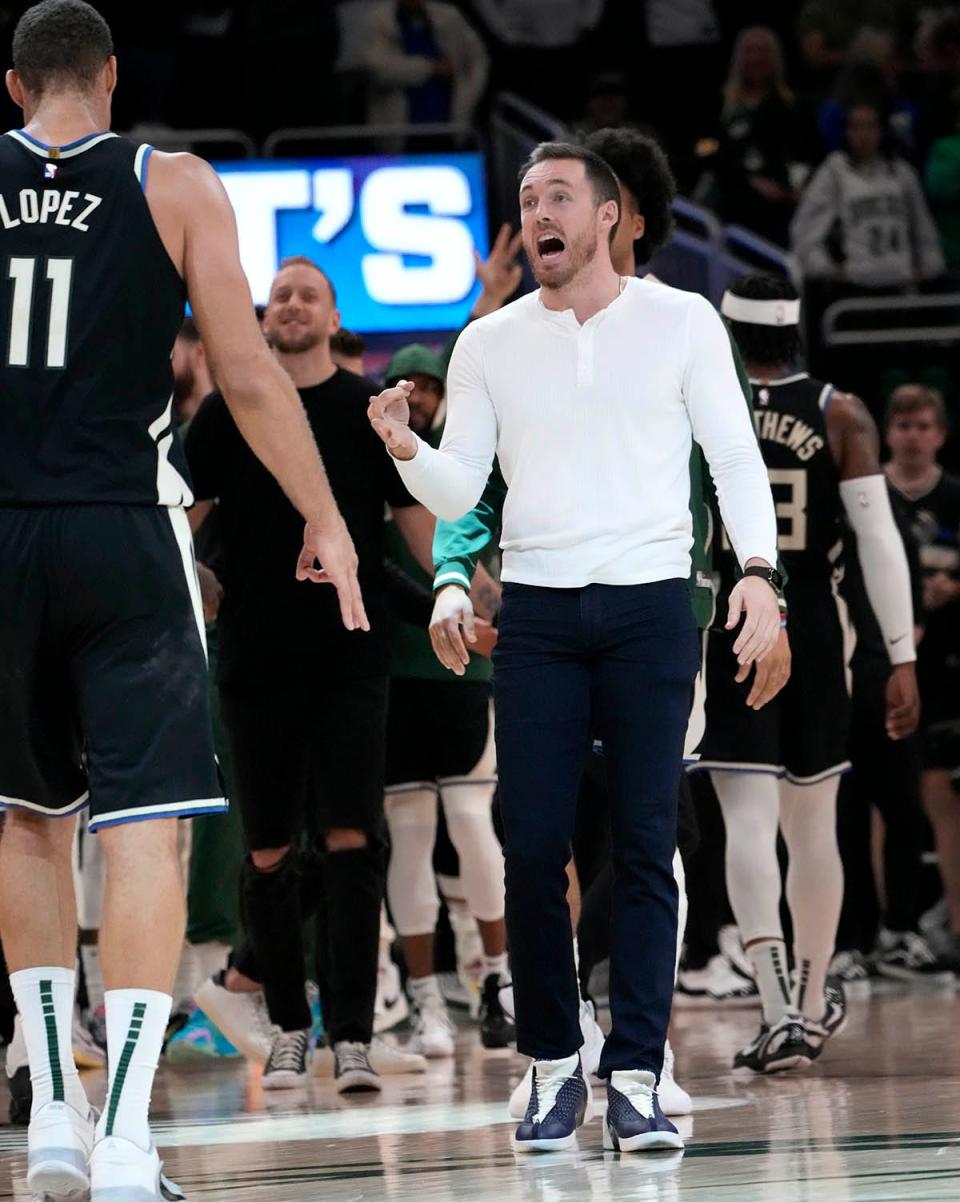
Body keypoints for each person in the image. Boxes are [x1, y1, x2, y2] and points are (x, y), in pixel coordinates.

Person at [0, 4, 364, 1201]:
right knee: (144, 827)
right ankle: (124, 1143)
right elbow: (248, 372)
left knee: (26, 820)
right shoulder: (176, 181)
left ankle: (50, 1105)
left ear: (15, 86)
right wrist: (324, 514)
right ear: (109, 79)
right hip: (122, 528)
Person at [368, 140, 781, 1154]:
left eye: (556, 196)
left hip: (650, 608)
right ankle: (555, 1064)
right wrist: (407, 449)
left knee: (647, 843)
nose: (536, 212)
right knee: (531, 844)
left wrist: (761, 580)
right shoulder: (488, 341)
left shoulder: (683, 320)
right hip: (544, 616)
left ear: (608, 215)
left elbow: (734, 458)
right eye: (524, 199)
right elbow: (465, 492)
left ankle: (635, 1072)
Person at [184, 257, 435, 1094]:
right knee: (266, 853)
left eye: (307, 295)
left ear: (333, 317)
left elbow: (420, 534)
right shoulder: (227, 414)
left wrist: (461, 596)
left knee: (353, 840)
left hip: (351, 660)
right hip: (253, 660)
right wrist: (198, 586)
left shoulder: (365, 415)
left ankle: (354, 1037)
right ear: (263, 318)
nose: (290, 304)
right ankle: (290, 1028)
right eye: (279, 295)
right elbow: (181, 519)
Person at [694, 273, 920, 1073]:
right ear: (796, 334)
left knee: (747, 818)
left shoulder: (701, 408)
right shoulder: (839, 411)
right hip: (818, 626)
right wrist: (902, 653)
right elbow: (880, 543)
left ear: (727, 330)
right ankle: (816, 997)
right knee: (812, 821)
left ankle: (775, 1007)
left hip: (730, 617)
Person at [380, 343, 511, 1057]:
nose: (421, 397)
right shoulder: (380, 456)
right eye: (410, 386)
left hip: (464, 665)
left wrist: (499, 617)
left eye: (431, 386)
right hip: (398, 666)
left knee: (469, 817)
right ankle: (428, 1002)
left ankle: (498, 981)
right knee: (408, 830)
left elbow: (483, 558)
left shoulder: (469, 463)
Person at [883, 384, 960, 967]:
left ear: (940, 433)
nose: (912, 436)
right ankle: (884, 928)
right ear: (889, 431)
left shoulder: (953, 496)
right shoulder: (869, 493)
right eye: (903, 425)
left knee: (939, 793)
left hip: (944, 663)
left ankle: (951, 928)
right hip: (879, 662)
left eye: (923, 425)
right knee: (875, 799)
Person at [705, 26, 804, 246]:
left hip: (782, 210)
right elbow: (706, 150)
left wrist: (798, 186)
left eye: (763, 51)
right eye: (750, 51)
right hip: (732, 205)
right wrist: (748, 180)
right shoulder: (721, 105)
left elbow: (805, 152)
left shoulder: (791, 107)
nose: (756, 58)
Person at [363, 0, 489, 129]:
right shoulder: (381, 19)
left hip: (449, 123)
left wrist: (470, 96)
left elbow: (478, 59)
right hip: (399, 126)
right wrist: (431, 68)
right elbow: (377, 70)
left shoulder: (449, 16)